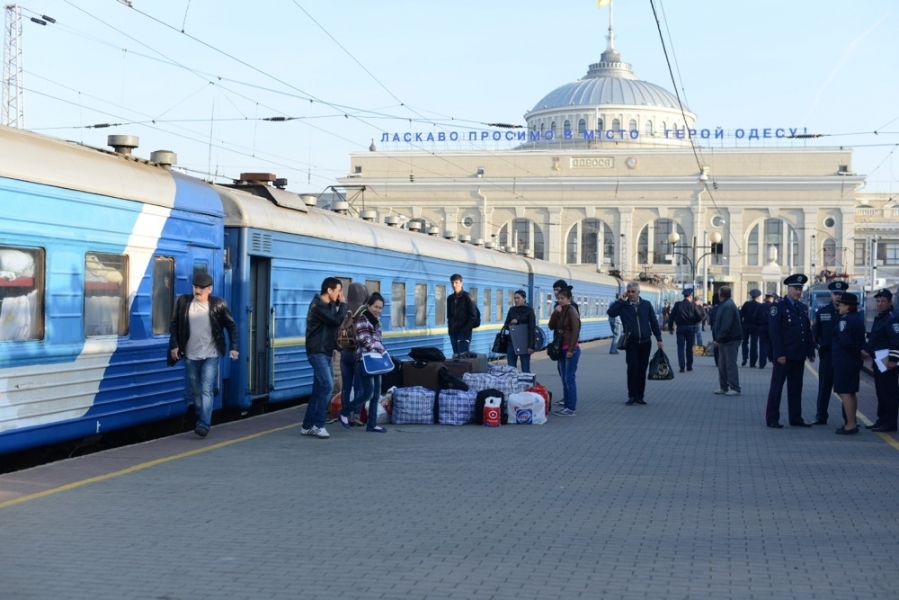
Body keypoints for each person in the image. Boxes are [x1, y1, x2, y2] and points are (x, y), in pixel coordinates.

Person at [168, 272, 239, 438]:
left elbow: (232, 326)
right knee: (195, 392)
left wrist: (233, 347)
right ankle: (202, 416)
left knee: (206, 389)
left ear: (210, 289)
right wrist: (174, 346)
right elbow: (174, 325)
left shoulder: (218, 305)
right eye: (195, 287)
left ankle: (203, 424)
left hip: (211, 354)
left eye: (201, 288)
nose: (197, 291)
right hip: (190, 355)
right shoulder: (183, 302)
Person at [765, 274, 815, 428]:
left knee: (796, 388)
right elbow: (774, 332)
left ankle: (796, 417)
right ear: (788, 288)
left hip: (798, 355)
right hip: (784, 356)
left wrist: (810, 351)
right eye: (795, 289)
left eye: (800, 289)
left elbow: (805, 330)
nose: (798, 292)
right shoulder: (778, 307)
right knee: (777, 387)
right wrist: (779, 353)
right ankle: (772, 418)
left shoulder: (802, 307)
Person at [301, 277, 347, 439]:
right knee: (327, 385)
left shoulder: (327, 305)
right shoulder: (318, 305)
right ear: (329, 290)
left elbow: (329, 330)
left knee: (318, 389)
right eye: (338, 291)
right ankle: (319, 425)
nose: (340, 294)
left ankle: (307, 426)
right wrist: (343, 305)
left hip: (325, 351)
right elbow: (335, 321)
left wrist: (334, 347)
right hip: (317, 351)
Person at [338, 292, 388, 433]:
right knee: (368, 393)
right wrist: (376, 346)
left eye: (380, 307)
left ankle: (372, 424)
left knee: (376, 394)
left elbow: (378, 339)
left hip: (376, 360)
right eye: (375, 307)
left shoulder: (376, 321)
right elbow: (363, 339)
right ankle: (344, 412)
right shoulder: (362, 318)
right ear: (369, 305)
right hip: (365, 360)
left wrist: (381, 348)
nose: (377, 310)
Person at [607, 281, 663, 406]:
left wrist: (659, 338)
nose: (631, 294)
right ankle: (631, 396)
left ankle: (640, 396)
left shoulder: (646, 305)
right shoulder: (623, 306)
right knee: (632, 368)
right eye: (629, 292)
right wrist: (620, 301)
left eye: (633, 292)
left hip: (645, 341)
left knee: (642, 369)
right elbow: (610, 312)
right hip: (631, 342)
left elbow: (653, 322)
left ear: (638, 292)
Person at [861, 288, 899, 433]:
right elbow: (877, 340)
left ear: (890, 302)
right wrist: (871, 355)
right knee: (881, 392)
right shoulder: (882, 317)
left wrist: (893, 360)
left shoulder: (892, 318)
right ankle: (881, 420)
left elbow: (896, 340)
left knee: (889, 393)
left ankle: (889, 423)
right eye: (878, 301)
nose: (880, 303)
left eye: (883, 301)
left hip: (887, 362)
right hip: (879, 360)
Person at [811, 281, 848, 426]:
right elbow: (815, 334)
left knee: (845, 389)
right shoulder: (822, 312)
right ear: (831, 295)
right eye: (835, 294)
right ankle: (821, 416)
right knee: (824, 386)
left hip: (844, 357)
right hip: (827, 355)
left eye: (841, 294)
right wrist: (818, 346)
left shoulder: (850, 313)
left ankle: (849, 418)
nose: (838, 297)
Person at [831, 292, 865, 435]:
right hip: (853, 361)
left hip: (844, 360)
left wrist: (857, 352)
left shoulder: (845, 320)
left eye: (841, 305)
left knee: (843, 391)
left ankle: (850, 424)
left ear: (847, 306)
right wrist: (860, 353)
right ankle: (852, 422)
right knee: (851, 391)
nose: (839, 307)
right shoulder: (857, 319)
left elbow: (846, 341)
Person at [340, 282, 370, 427]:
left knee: (346, 387)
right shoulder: (364, 311)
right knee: (359, 387)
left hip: (344, 352)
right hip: (358, 353)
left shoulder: (344, 308)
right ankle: (355, 416)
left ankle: (345, 415)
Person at [549, 287, 581, 416]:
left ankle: (571, 408)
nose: (560, 301)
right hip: (561, 348)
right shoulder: (560, 311)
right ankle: (566, 406)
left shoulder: (572, 311)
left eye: (562, 298)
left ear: (569, 299)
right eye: (558, 298)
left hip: (570, 349)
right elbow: (551, 326)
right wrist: (555, 313)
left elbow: (575, 330)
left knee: (569, 378)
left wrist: (571, 349)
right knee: (564, 378)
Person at [711, 286, 742, 396]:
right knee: (722, 364)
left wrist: (718, 339)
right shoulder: (726, 304)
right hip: (726, 339)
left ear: (721, 294)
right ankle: (723, 387)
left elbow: (726, 325)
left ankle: (735, 388)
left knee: (730, 364)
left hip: (731, 339)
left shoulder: (728, 305)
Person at [667, 288, 705, 373]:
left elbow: (671, 317)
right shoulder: (693, 305)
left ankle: (681, 366)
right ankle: (689, 366)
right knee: (689, 347)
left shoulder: (677, 305)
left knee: (680, 347)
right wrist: (693, 322)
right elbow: (699, 317)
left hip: (680, 328)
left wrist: (670, 328)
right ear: (691, 296)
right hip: (690, 328)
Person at [503, 289, 536, 372]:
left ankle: (527, 384)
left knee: (525, 368)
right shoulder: (512, 310)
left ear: (524, 299)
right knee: (511, 368)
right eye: (515, 298)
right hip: (512, 342)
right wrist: (511, 323)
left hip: (524, 343)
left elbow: (532, 329)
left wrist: (531, 346)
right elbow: (506, 325)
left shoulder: (529, 311)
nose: (516, 300)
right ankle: (513, 384)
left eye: (518, 298)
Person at [447, 273, 478, 356]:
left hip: (464, 332)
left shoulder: (467, 297)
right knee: (456, 356)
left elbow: (473, 315)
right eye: (452, 283)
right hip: (453, 331)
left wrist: (466, 329)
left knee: (463, 356)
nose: (454, 285)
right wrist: (450, 329)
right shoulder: (450, 298)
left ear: (461, 283)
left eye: (456, 282)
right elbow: (449, 315)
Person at [740, 289, 762, 366]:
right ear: (758, 297)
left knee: (744, 342)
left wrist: (742, 325)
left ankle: (745, 358)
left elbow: (741, 314)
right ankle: (752, 362)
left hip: (746, 326)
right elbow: (760, 317)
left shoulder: (746, 304)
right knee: (754, 344)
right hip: (755, 327)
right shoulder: (759, 305)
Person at [756, 292, 776, 369]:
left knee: (762, 345)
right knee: (772, 345)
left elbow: (756, 316)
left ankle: (762, 364)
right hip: (771, 328)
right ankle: (773, 361)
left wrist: (758, 325)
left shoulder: (761, 306)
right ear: (771, 299)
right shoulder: (774, 306)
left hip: (762, 327)